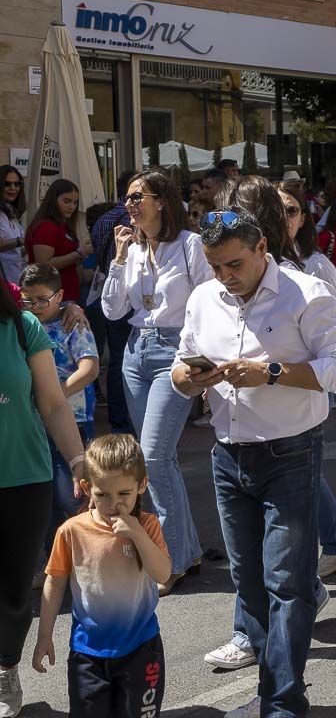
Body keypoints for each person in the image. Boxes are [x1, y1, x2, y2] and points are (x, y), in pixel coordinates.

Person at [171, 209, 336, 718]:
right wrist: (188, 379)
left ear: (260, 249)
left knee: (289, 583)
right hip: (227, 454)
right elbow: (181, 364)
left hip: (291, 453)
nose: (224, 276)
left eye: (233, 264)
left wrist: (269, 371)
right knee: (249, 584)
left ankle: (282, 703)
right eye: (214, 266)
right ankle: (269, 691)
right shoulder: (204, 297)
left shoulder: (307, 292)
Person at [101, 171, 210, 596]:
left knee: (153, 457)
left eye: (137, 196)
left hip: (174, 354)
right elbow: (111, 310)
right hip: (135, 351)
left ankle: (174, 560)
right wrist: (118, 258)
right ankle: (189, 550)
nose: (129, 204)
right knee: (161, 459)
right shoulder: (131, 249)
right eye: (126, 197)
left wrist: (195, 356)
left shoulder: (190, 245)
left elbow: (207, 301)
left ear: (161, 200)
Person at [32, 434, 171, 718]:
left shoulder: (148, 525)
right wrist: (44, 635)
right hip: (88, 653)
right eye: (103, 494)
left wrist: (136, 533)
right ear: (87, 488)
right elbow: (55, 582)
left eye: (124, 494)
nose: (113, 504)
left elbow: (163, 573)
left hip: (141, 648)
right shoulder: (71, 531)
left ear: (141, 485)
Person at [0, 269, 88, 718]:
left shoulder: (21, 325)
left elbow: (53, 403)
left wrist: (77, 460)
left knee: (15, 589)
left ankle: (4, 670)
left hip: (23, 475)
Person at [18, 264, 98, 556]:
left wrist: (53, 396)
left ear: (59, 295)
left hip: (72, 420)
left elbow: (89, 369)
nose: (35, 307)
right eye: (28, 300)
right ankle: (54, 562)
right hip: (35, 424)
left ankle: (89, 554)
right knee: (46, 495)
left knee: (72, 494)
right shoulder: (21, 325)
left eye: (43, 299)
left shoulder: (71, 324)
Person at [91, 173, 136, 435]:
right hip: (129, 295)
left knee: (118, 359)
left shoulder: (102, 221)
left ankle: (119, 420)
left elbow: (98, 256)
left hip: (110, 289)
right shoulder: (130, 221)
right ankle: (127, 420)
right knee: (126, 360)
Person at [27, 178, 89, 304]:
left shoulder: (63, 226)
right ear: (53, 200)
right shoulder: (46, 227)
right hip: (53, 299)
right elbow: (44, 265)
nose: (72, 207)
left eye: (75, 203)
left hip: (68, 295)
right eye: (67, 201)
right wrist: (78, 253)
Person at [0, 165, 25, 283]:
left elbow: (16, 252)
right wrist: (21, 241)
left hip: (14, 282)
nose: (13, 188)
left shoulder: (12, 213)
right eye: (7, 184)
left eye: (17, 184)